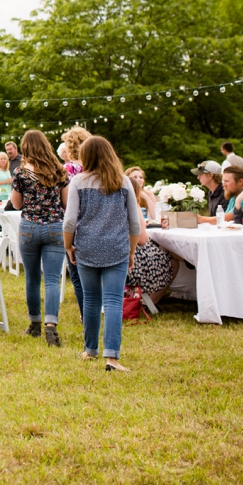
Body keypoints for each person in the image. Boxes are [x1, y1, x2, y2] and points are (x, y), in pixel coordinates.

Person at [63, 136, 141, 372]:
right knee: (113, 301)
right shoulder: (123, 181)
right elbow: (135, 224)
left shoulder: (78, 181)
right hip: (116, 248)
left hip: (86, 247)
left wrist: (69, 246)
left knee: (91, 299)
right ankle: (112, 358)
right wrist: (132, 250)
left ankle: (90, 350)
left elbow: (69, 222)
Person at [11, 129, 69, 346]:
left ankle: (34, 323)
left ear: (25, 148)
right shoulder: (59, 171)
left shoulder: (20, 173)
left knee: (32, 278)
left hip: (29, 228)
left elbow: (17, 204)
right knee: (52, 280)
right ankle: (51, 327)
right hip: (54, 227)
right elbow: (66, 203)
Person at [124, 168, 177, 305]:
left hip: (109, 257)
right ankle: (151, 302)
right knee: (174, 260)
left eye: (141, 177)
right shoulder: (132, 203)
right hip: (131, 264)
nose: (139, 179)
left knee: (162, 250)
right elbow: (142, 239)